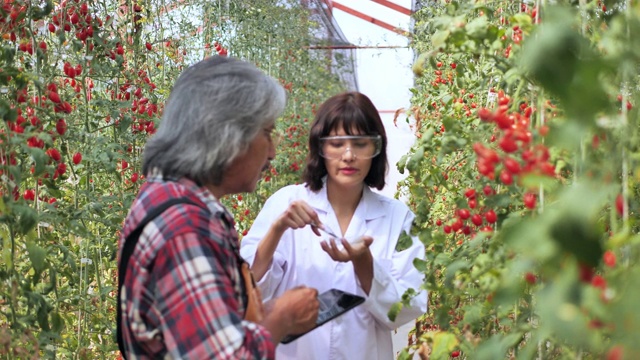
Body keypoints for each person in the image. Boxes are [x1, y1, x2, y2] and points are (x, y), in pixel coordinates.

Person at [117, 56, 320, 359]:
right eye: (267, 133)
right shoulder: (185, 228)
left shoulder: (162, 196)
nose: (273, 152)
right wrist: (282, 318)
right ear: (228, 135)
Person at [240, 91, 428, 360]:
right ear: (321, 148)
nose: (348, 156)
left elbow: (408, 307)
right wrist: (276, 231)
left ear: (376, 149)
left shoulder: (399, 218)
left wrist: (364, 263)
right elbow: (250, 290)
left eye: (360, 143)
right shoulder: (286, 203)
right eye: (337, 144)